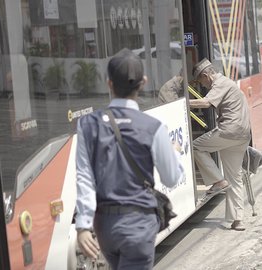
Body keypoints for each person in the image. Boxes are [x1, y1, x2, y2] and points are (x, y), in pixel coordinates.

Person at [75, 48, 184, 269]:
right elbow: (172, 178)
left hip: (105, 227)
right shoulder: (153, 128)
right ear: (143, 82)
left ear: (109, 83)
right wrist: (174, 152)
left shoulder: (88, 124)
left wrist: (83, 226)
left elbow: (85, 178)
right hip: (139, 227)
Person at [189, 58, 251, 231]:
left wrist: (182, 104)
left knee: (195, 146)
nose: (203, 86)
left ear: (206, 75)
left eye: (201, 81)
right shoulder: (228, 83)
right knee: (234, 177)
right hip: (242, 135)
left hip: (229, 131)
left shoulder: (220, 83)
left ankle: (218, 181)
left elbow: (206, 103)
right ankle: (237, 220)